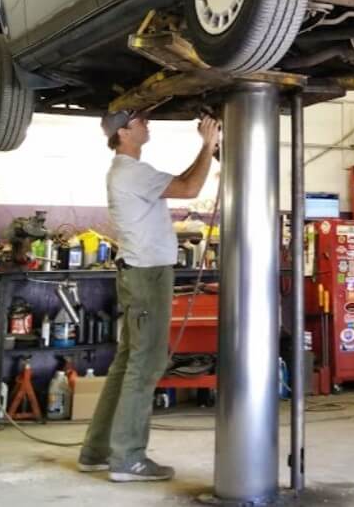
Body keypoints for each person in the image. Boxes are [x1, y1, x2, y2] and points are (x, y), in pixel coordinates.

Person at [78, 107, 221, 483]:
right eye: (139, 120)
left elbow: (183, 181)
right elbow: (190, 189)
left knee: (127, 363)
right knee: (146, 365)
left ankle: (96, 451)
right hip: (147, 276)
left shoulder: (131, 172)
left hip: (138, 273)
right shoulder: (131, 172)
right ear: (123, 133)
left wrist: (207, 150)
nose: (147, 123)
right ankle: (128, 458)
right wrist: (207, 146)